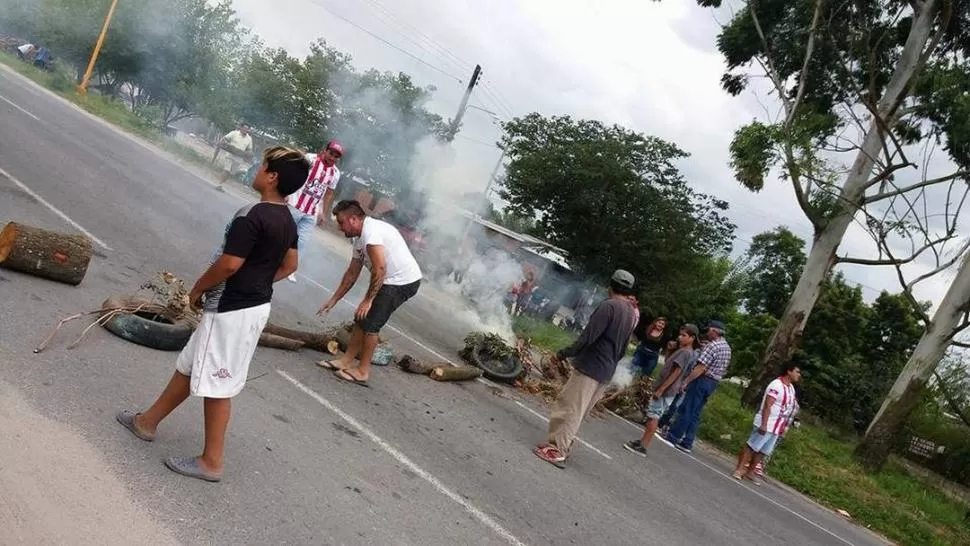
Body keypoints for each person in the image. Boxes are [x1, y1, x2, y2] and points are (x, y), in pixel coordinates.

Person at [115, 146, 310, 482]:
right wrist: (260, 280)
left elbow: (229, 263)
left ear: (273, 176)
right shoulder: (287, 219)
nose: (257, 169)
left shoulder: (252, 214)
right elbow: (291, 265)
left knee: (217, 384)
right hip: (252, 306)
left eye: (262, 165)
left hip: (232, 310)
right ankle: (146, 422)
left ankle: (211, 462)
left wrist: (197, 289)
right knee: (189, 366)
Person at [533, 270, 639, 468]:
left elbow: (587, 338)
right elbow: (624, 349)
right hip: (606, 371)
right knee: (579, 411)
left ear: (611, 286)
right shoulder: (630, 313)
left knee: (570, 408)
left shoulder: (609, 307)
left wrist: (562, 354)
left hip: (591, 367)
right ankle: (564, 445)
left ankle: (557, 450)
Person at [316, 200, 422, 386]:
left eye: (341, 222)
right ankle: (346, 360)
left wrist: (369, 300)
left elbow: (380, 269)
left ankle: (363, 371)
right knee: (360, 317)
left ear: (354, 219)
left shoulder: (371, 234)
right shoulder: (358, 238)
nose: (340, 227)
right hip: (387, 279)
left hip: (402, 281)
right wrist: (334, 299)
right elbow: (352, 272)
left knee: (371, 323)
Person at [623, 324, 699, 456]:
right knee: (653, 415)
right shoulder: (684, 351)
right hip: (667, 389)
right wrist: (670, 350)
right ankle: (642, 441)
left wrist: (661, 389)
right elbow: (669, 363)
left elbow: (676, 372)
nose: (680, 337)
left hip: (666, 390)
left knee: (654, 417)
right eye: (680, 334)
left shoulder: (685, 352)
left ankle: (643, 446)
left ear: (692, 338)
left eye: (684, 335)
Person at [665, 320, 732, 454]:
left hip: (702, 380)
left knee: (687, 408)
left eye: (709, 330)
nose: (707, 332)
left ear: (714, 331)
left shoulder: (712, 346)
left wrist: (686, 381)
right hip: (713, 382)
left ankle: (673, 436)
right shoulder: (726, 347)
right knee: (696, 413)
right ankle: (687, 441)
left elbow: (700, 367)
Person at [284, 140, 344, 282]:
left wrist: (322, 211)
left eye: (336, 156)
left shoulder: (335, 173)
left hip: (312, 210)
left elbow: (328, 193)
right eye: (331, 153)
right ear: (325, 150)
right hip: (295, 203)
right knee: (283, 234)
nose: (332, 157)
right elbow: (294, 173)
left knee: (302, 241)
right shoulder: (309, 158)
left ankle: (290, 269)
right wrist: (286, 192)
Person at [733, 362, 801, 482]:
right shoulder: (776, 385)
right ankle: (739, 469)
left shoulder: (791, 388)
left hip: (778, 425)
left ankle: (750, 471)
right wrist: (764, 424)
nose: (799, 375)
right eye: (797, 372)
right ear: (789, 371)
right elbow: (768, 405)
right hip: (768, 422)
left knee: (764, 450)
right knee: (752, 445)